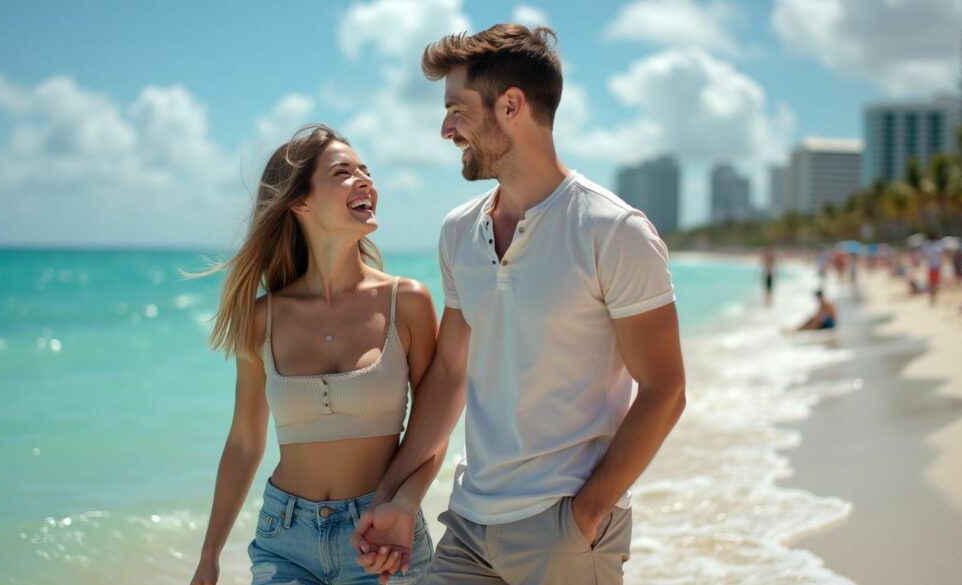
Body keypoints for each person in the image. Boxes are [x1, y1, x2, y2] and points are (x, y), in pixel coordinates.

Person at [351, 24, 686, 584]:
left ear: (511, 105)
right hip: (468, 523)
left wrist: (584, 518)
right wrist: (395, 498)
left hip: (563, 530)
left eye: (456, 110)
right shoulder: (459, 230)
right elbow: (451, 372)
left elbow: (665, 389)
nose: (444, 129)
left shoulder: (613, 230)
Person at [188, 125, 441, 585]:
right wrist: (209, 557)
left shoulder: (407, 302)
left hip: (380, 538)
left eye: (366, 171)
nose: (365, 181)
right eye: (343, 173)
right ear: (300, 202)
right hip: (285, 536)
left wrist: (400, 506)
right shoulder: (261, 319)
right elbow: (245, 440)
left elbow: (433, 429)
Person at [922, 231, 944, 305]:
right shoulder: (929, 246)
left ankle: (934, 297)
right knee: (932, 283)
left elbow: (941, 256)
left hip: (935, 267)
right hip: (931, 267)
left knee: (935, 283)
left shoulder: (936, 245)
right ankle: (932, 298)